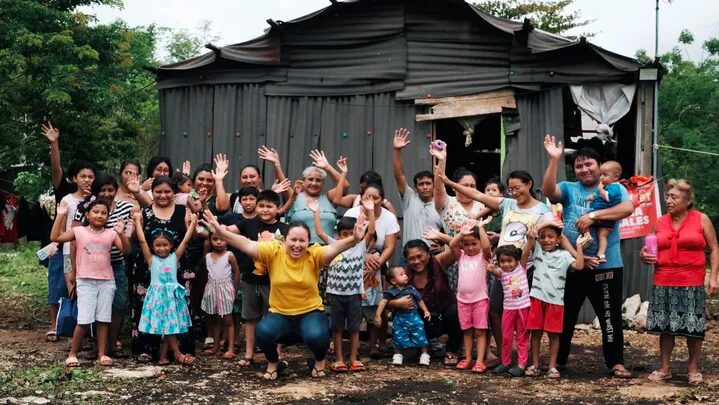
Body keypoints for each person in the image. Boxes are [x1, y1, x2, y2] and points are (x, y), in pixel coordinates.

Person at [203, 211, 368, 380]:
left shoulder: (314, 254)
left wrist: (354, 239)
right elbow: (245, 243)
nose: (297, 245)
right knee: (262, 333)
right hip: (280, 315)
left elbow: (334, 248)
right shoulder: (274, 251)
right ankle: (274, 362)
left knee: (318, 336)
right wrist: (221, 232)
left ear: (308, 242)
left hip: (310, 314)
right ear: (285, 240)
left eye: (302, 240)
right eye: (293, 240)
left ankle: (318, 361)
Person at [542, 135, 634, 378]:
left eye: (588, 164)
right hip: (573, 264)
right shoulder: (570, 189)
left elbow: (627, 208)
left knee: (609, 314)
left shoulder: (614, 188)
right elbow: (548, 190)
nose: (584, 169)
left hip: (607, 264)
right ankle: (558, 359)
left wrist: (592, 217)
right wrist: (554, 160)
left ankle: (616, 362)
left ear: (599, 165)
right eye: (579, 166)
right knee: (565, 314)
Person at [640, 179, 719, 385]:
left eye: (674, 197)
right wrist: (643, 254)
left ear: (688, 200)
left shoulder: (701, 219)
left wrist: (714, 277)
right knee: (666, 327)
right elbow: (649, 248)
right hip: (663, 280)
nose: (668, 200)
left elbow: (714, 249)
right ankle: (665, 368)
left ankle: (693, 368)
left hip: (691, 280)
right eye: (667, 196)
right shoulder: (660, 221)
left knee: (693, 327)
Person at [51, 198, 131, 367]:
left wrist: (121, 233)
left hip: (106, 281)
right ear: (87, 214)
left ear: (108, 216)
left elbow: (127, 250)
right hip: (85, 281)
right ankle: (73, 353)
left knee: (103, 319)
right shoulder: (79, 231)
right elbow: (55, 237)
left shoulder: (111, 233)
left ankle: (102, 354)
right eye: (95, 212)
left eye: (104, 213)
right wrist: (60, 216)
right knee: (84, 320)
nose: (99, 215)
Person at [72, 175, 137, 358]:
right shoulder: (87, 208)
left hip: (116, 264)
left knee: (118, 304)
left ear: (116, 191)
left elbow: (138, 210)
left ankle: (111, 344)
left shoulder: (125, 207)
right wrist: (74, 270)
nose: (107, 193)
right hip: (90, 267)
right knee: (92, 306)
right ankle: (95, 346)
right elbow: (75, 240)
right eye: (103, 190)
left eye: (111, 190)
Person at [310, 196, 376, 373]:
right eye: (344, 234)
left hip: (354, 294)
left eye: (351, 233)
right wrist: (316, 212)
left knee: (354, 329)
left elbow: (370, 232)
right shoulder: (334, 244)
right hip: (335, 294)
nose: (348, 237)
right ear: (338, 235)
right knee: (337, 328)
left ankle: (354, 358)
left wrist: (370, 210)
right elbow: (319, 232)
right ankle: (339, 359)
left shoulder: (361, 245)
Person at [223, 190, 288, 367]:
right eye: (262, 206)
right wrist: (218, 226)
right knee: (251, 319)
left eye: (270, 206)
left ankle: (276, 355)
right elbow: (228, 231)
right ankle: (249, 354)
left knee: (275, 318)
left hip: (274, 281)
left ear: (278, 208)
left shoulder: (284, 229)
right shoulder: (248, 224)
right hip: (250, 279)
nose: (265, 209)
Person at [130, 177, 191, 362]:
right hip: (149, 268)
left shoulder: (183, 211)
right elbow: (137, 239)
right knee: (148, 309)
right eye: (158, 191)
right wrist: (136, 222)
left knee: (175, 309)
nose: (163, 195)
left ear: (174, 193)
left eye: (167, 191)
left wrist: (193, 224)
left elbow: (190, 237)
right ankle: (146, 350)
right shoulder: (144, 212)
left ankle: (174, 351)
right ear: (152, 192)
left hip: (175, 267)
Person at [342, 169, 400, 357]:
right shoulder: (352, 213)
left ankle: (379, 344)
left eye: (375, 198)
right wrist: (363, 256)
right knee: (355, 307)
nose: (371, 201)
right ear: (361, 197)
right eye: (367, 197)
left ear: (382, 199)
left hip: (378, 265)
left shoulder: (389, 217)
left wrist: (377, 262)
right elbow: (346, 240)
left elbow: (390, 246)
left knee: (378, 307)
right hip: (353, 264)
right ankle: (355, 346)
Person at [525, 219, 589, 378]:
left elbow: (580, 266)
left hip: (556, 302)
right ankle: (535, 365)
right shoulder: (538, 251)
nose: (546, 240)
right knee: (536, 333)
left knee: (554, 335)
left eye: (551, 236)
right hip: (537, 299)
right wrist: (534, 234)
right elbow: (530, 237)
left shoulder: (565, 255)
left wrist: (579, 246)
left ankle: (552, 366)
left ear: (558, 239)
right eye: (543, 236)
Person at [133, 212, 196, 366]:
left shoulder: (174, 257)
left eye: (165, 245)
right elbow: (141, 241)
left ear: (171, 245)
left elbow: (186, 240)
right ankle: (177, 353)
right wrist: (136, 222)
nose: (162, 248)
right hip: (157, 296)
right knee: (167, 325)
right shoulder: (151, 259)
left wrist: (193, 223)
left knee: (169, 325)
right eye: (158, 245)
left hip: (172, 296)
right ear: (153, 247)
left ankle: (163, 355)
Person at [395, 240, 462, 366]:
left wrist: (441, 236)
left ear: (428, 254)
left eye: (420, 256)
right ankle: (424, 347)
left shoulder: (438, 262)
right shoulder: (404, 276)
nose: (416, 261)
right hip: (421, 321)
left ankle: (452, 350)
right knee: (410, 354)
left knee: (456, 311)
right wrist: (397, 303)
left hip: (444, 316)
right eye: (411, 259)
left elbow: (457, 250)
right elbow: (389, 298)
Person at [448, 219, 492, 373]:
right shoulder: (461, 256)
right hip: (463, 300)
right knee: (466, 331)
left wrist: (480, 228)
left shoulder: (483, 257)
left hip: (479, 299)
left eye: (474, 244)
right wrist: (461, 233)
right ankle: (468, 358)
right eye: (466, 244)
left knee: (480, 332)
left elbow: (486, 247)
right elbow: (452, 245)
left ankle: (480, 361)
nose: (470, 247)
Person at [392, 128, 443, 245]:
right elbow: (399, 175)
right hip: (409, 256)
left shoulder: (441, 204)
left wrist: (444, 247)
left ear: (434, 186)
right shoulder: (409, 198)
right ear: (415, 188)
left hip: (433, 256)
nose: (425, 187)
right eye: (421, 184)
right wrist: (396, 150)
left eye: (428, 183)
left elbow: (450, 230)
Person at [488, 244, 531, 377]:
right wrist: (491, 269)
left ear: (516, 260)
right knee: (506, 337)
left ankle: (521, 364)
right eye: (502, 261)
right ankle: (505, 362)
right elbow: (496, 272)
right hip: (508, 309)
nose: (506, 264)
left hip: (523, 308)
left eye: (509, 260)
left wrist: (530, 239)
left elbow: (526, 251)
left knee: (521, 337)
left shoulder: (521, 268)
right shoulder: (502, 273)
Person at [375, 266, 432, 366]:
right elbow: (383, 303)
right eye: (401, 274)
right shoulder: (390, 292)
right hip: (400, 318)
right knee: (398, 336)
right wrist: (378, 315)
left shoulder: (411, 288)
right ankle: (398, 355)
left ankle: (424, 354)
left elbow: (419, 300)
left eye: (405, 273)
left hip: (413, 316)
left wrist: (425, 310)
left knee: (420, 334)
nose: (405, 276)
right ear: (393, 281)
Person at [200, 233, 240, 359]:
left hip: (226, 289)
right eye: (215, 239)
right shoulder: (207, 256)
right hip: (212, 289)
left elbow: (236, 272)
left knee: (228, 320)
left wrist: (234, 290)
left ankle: (231, 348)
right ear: (210, 241)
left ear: (227, 241)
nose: (218, 242)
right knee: (215, 319)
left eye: (222, 239)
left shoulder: (230, 255)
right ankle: (216, 347)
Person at [285, 154, 339, 244]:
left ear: (323, 184)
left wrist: (327, 167)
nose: (314, 183)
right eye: (310, 179)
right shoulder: (294, 196)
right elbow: (282, 181)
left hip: (327, 250)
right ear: (303, 181)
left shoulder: (329, 197)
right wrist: (276, 164)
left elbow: (344, 185)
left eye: (318, 180)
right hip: (300, 248)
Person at [585, 160, 623, 262]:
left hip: (606, 218)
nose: (601, 177)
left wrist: (601, 190)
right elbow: (598, 196)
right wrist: (592, 196)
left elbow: (608, 197)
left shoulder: (615, 187)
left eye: (605, 175)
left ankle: (601, 254)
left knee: (602, 236)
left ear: (615, 177)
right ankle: (587, 236)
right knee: (583, 220)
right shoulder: (606, 186)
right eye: (601, 175)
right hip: (598, 215)